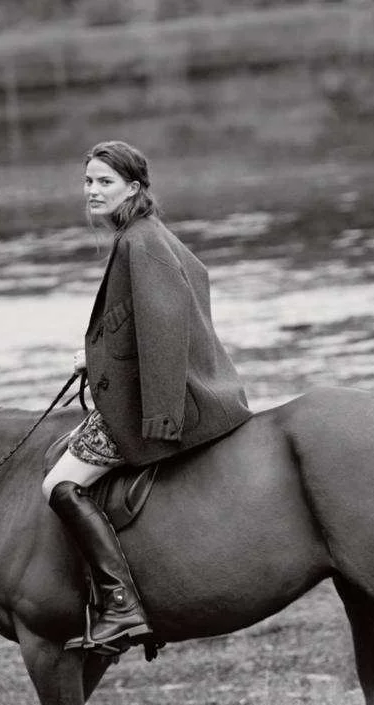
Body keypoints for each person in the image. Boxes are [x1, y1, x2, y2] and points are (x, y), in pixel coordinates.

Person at [42, 140, 252, 652]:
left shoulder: (142, 242)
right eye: (88, 182)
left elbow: (163, 327)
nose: (92, 191)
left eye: (104, 182)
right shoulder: (145, 234)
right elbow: (149, 318)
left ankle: (121, 605)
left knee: (58, 483)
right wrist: (96, 360)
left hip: (156, 408)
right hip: (158, 394)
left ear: (133, 188)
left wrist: (160, 419)